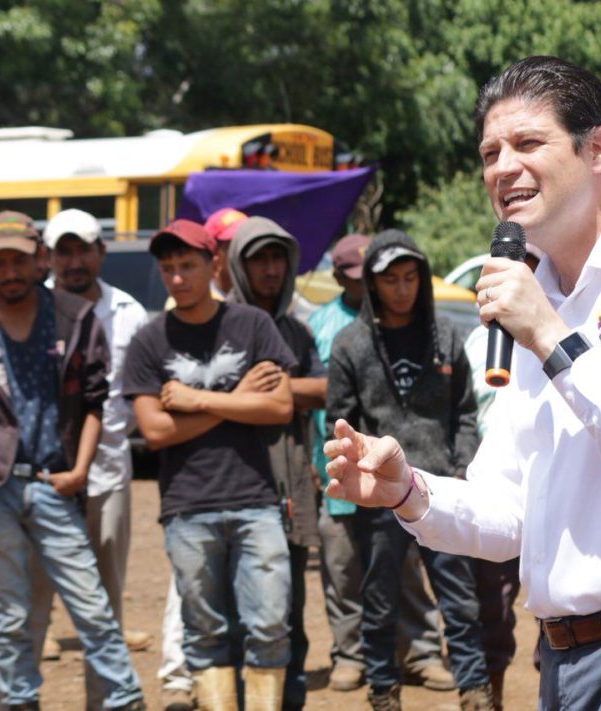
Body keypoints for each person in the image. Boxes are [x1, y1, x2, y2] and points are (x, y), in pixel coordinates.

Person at [323, 55, 601, 710]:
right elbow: (508, 511)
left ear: (598, 148)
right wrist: (408, 490)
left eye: (528, 143)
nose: (503, 168)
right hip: (564, 658)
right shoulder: (538, 297)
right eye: (490, 152)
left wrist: (555, 339)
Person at [0, 211, 144, 710]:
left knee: (92, 608)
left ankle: (123, 700)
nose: (9, 271)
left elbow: (96, 401)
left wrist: (80, 470)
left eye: (19, 260)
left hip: (57, 483)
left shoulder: (75, 318)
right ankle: (19, 702)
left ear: (39, 260)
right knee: (11, 617)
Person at [123, 219, 295, 711]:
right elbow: (154, 432)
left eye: (188, 265)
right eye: (168, 268)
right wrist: (238, 398)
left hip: (256, 499)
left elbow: (279, 408)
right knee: (204, 633)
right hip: (186, 505)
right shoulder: (149, 340)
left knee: (268, 626)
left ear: (212, 264)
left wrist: (196, 399)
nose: (178, 278)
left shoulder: (251, 324)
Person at [326, 231, 495, 711]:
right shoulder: (350, 343)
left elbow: (464, 412)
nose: (402, 289)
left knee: (458, 599)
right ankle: (383, 691)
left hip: (441, 486)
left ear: (421, 278)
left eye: (410, 277)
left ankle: (475, 690)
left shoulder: (445, 336)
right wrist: (363, 472)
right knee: (379, 598)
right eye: (390, 280)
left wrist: (461, 468)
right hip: (380, 494)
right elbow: (339, 417)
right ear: (372, 284)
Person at [308, 234, 457, 694]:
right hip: (346, 472)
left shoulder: (426, 329)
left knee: (410, 575)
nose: (398, 288)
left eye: (408, 277)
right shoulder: (328, 326)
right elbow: (331, 404)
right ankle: (352, 657)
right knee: (349, 574)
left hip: (407, 474)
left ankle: (421, 653)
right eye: (380, 279)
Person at [44, 208, 153, 706]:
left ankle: (101, 701)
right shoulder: (33, 308)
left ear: (100, 252)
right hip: (42, 480)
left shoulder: (128, 312)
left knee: (105, 606)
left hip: (108, 473)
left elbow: (137, 393)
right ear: (49, 256)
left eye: (82, 248)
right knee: (29, 604)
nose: (73, 260)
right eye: (63, 251)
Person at [227, 217, 324, 710]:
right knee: (232, 618)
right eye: (257, 259)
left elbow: (328, 389)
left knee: (289, 615)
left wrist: (281, 390)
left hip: (289, 486)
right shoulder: (219, 327)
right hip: (230, 487)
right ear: (238, 266)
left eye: (276, 258)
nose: (269, 269)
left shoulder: (296, 332)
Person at [205, 207, 247, 296]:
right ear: (214, 254)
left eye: (246, 244)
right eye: (234, 245)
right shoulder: (195, 304)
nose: (244, 252)